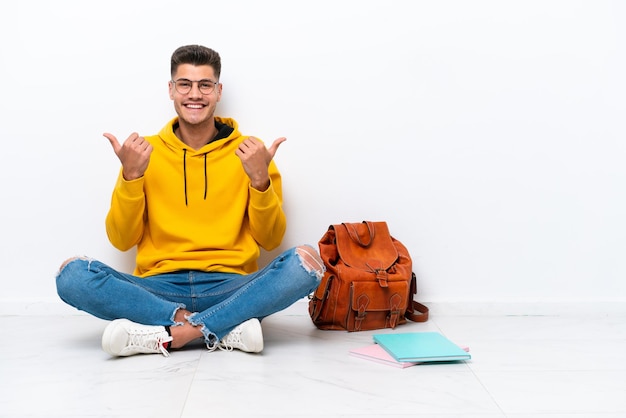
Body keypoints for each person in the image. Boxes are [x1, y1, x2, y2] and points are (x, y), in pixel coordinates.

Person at [56, 44, 325, 357]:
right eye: (185, 84)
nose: (194, 94)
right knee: (71, 275)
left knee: (306, 262)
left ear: (218, 90)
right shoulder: (143, 153)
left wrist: (260, 181)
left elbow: (271, 240)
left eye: (204, 85)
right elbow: (121, 240)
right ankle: (216, 327)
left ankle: (173, 334)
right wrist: (131, 176)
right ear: (171, 90)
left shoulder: (251, 153)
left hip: (230, 286)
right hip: (159, 288)